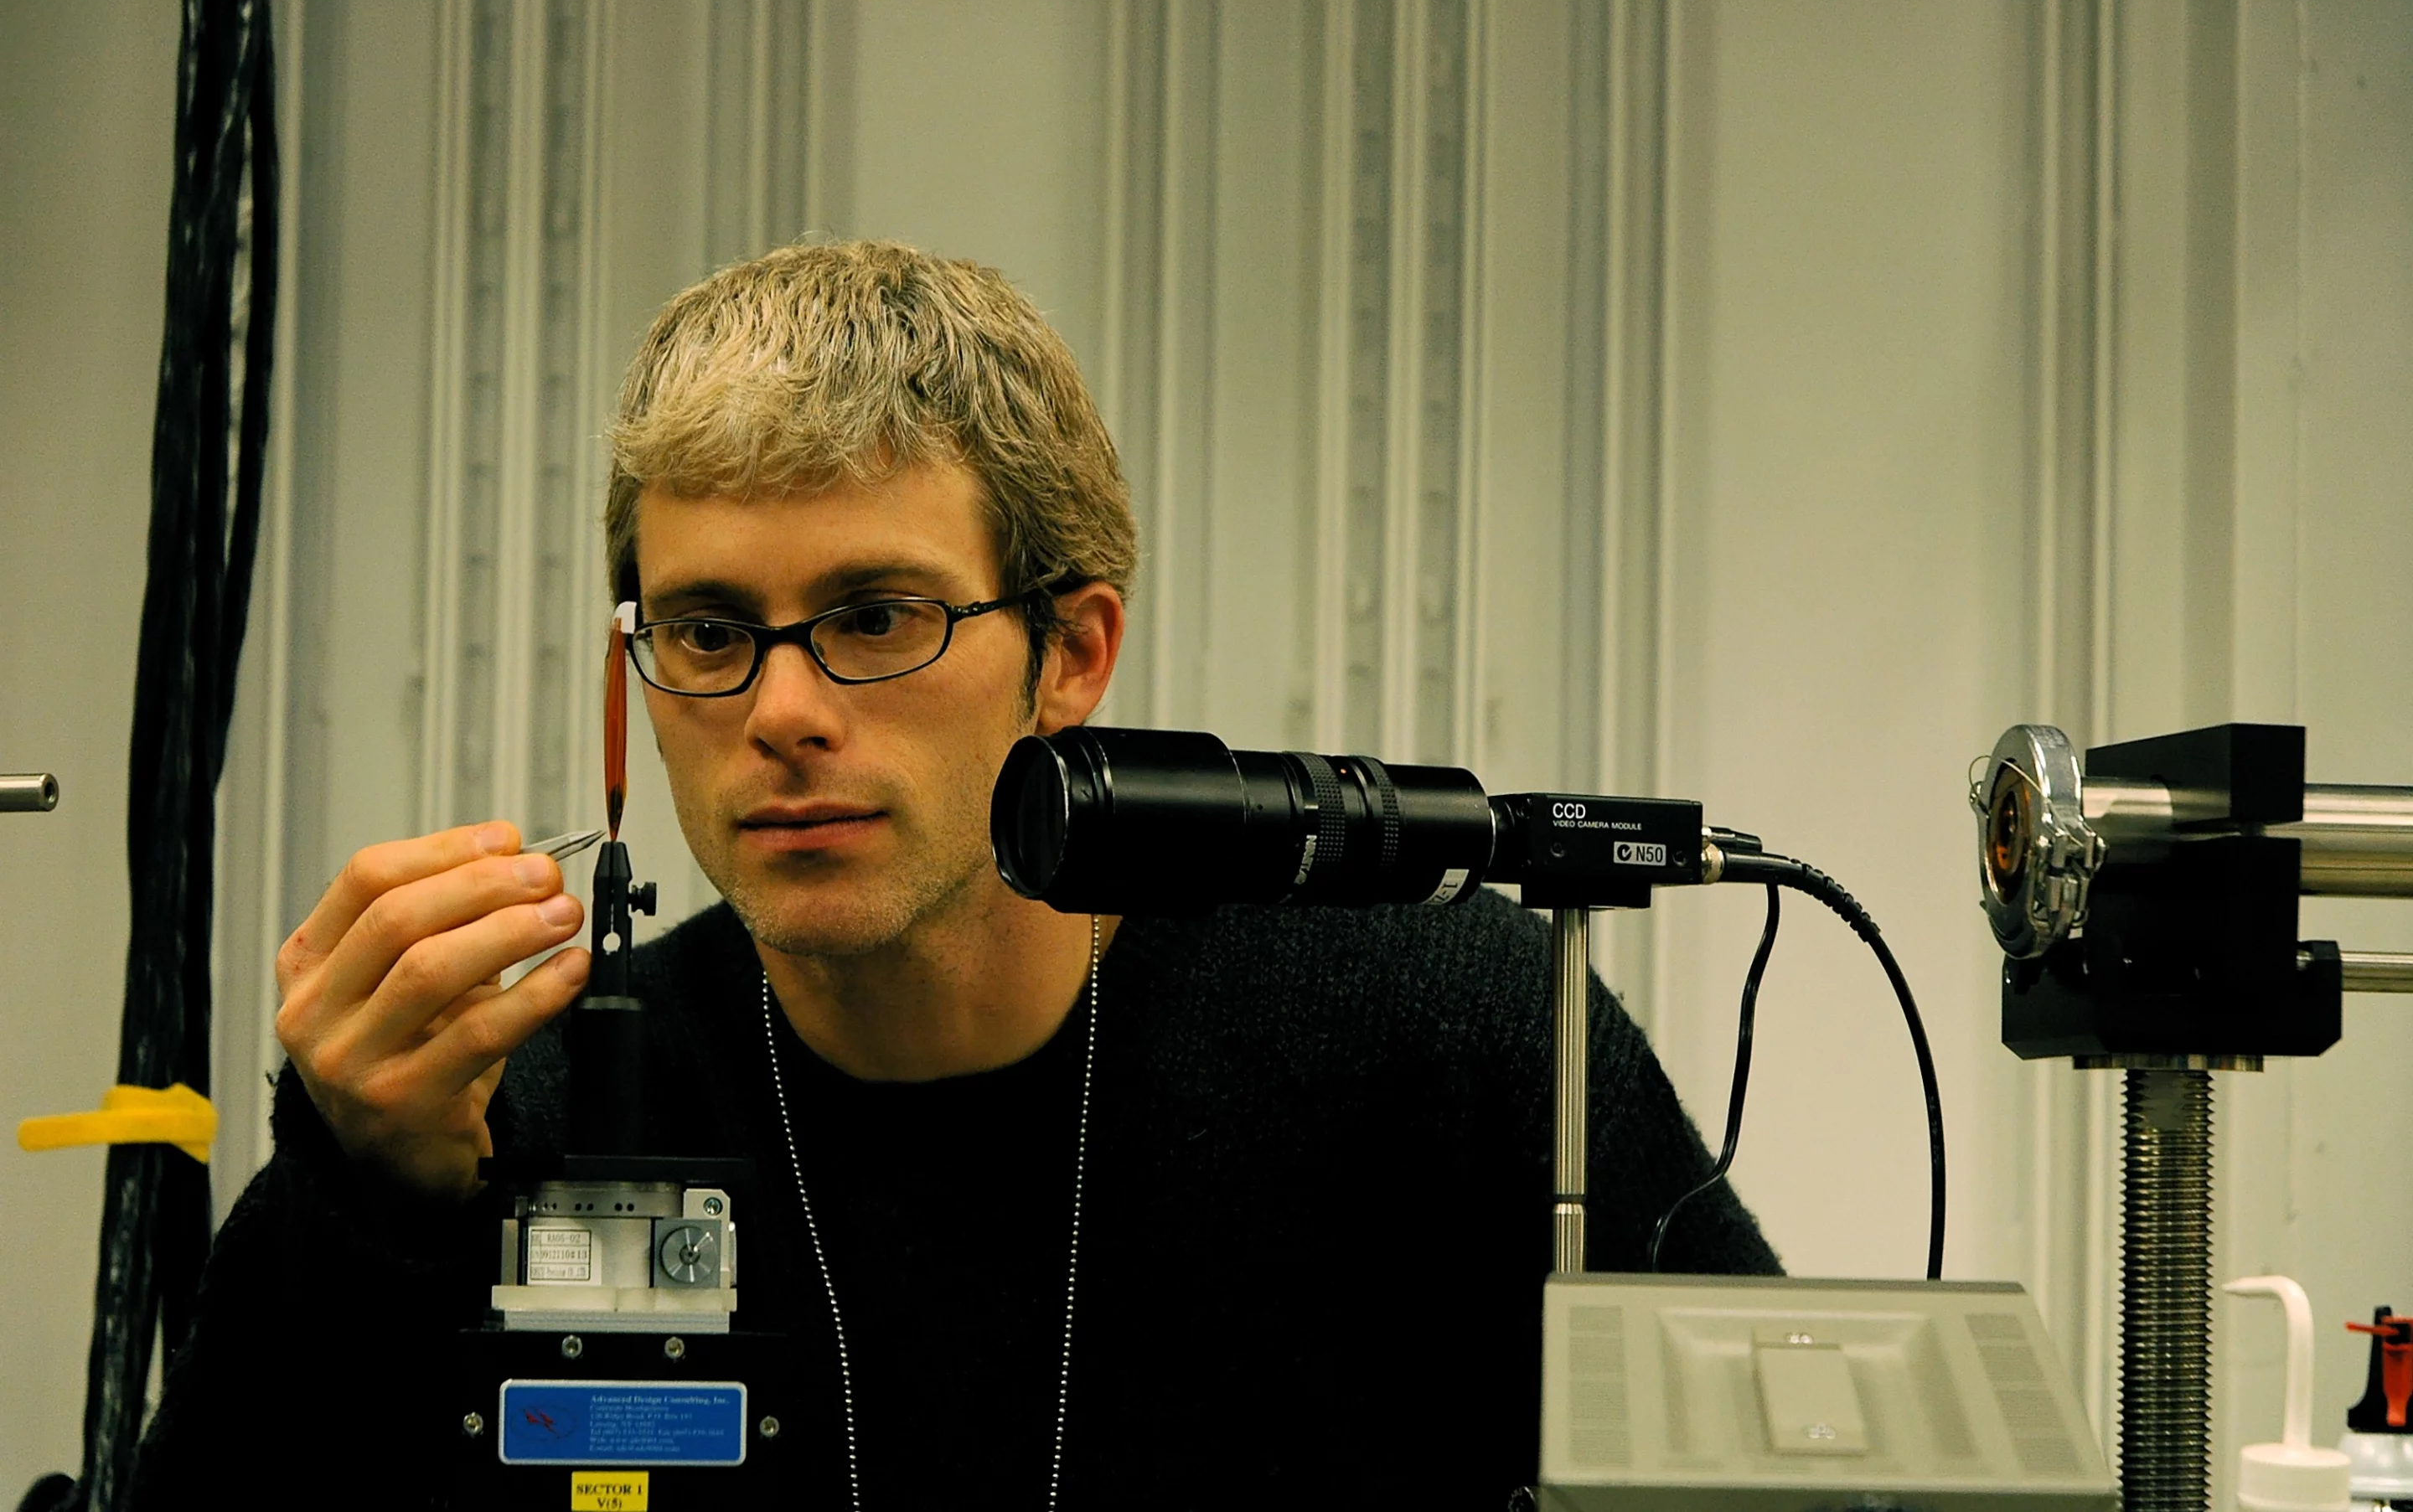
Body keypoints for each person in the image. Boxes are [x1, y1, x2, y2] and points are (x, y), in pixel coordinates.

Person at [132, 240, 1777, 1509]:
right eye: (709, 630)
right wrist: (367, 1199)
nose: (779, 711)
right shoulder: (528, 1113)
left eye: (874, 618)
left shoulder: (1444, 1036)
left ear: (1071, 652)